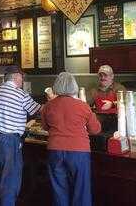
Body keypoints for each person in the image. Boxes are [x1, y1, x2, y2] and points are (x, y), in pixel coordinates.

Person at [0, 65, 41, 206]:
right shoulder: (20, 94)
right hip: (10, 140)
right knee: (10, 178)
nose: (22, 80)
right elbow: (37, 111)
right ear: (16, 77)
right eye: (22, 77)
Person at [41, 72, 101, 206]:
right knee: (81, 191)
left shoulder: (48, 106)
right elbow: (95, 129)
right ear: (74, 86)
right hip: (78, 152)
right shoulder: (82, 106)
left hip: (55, 150)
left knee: (59, 191)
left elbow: (45, 127)